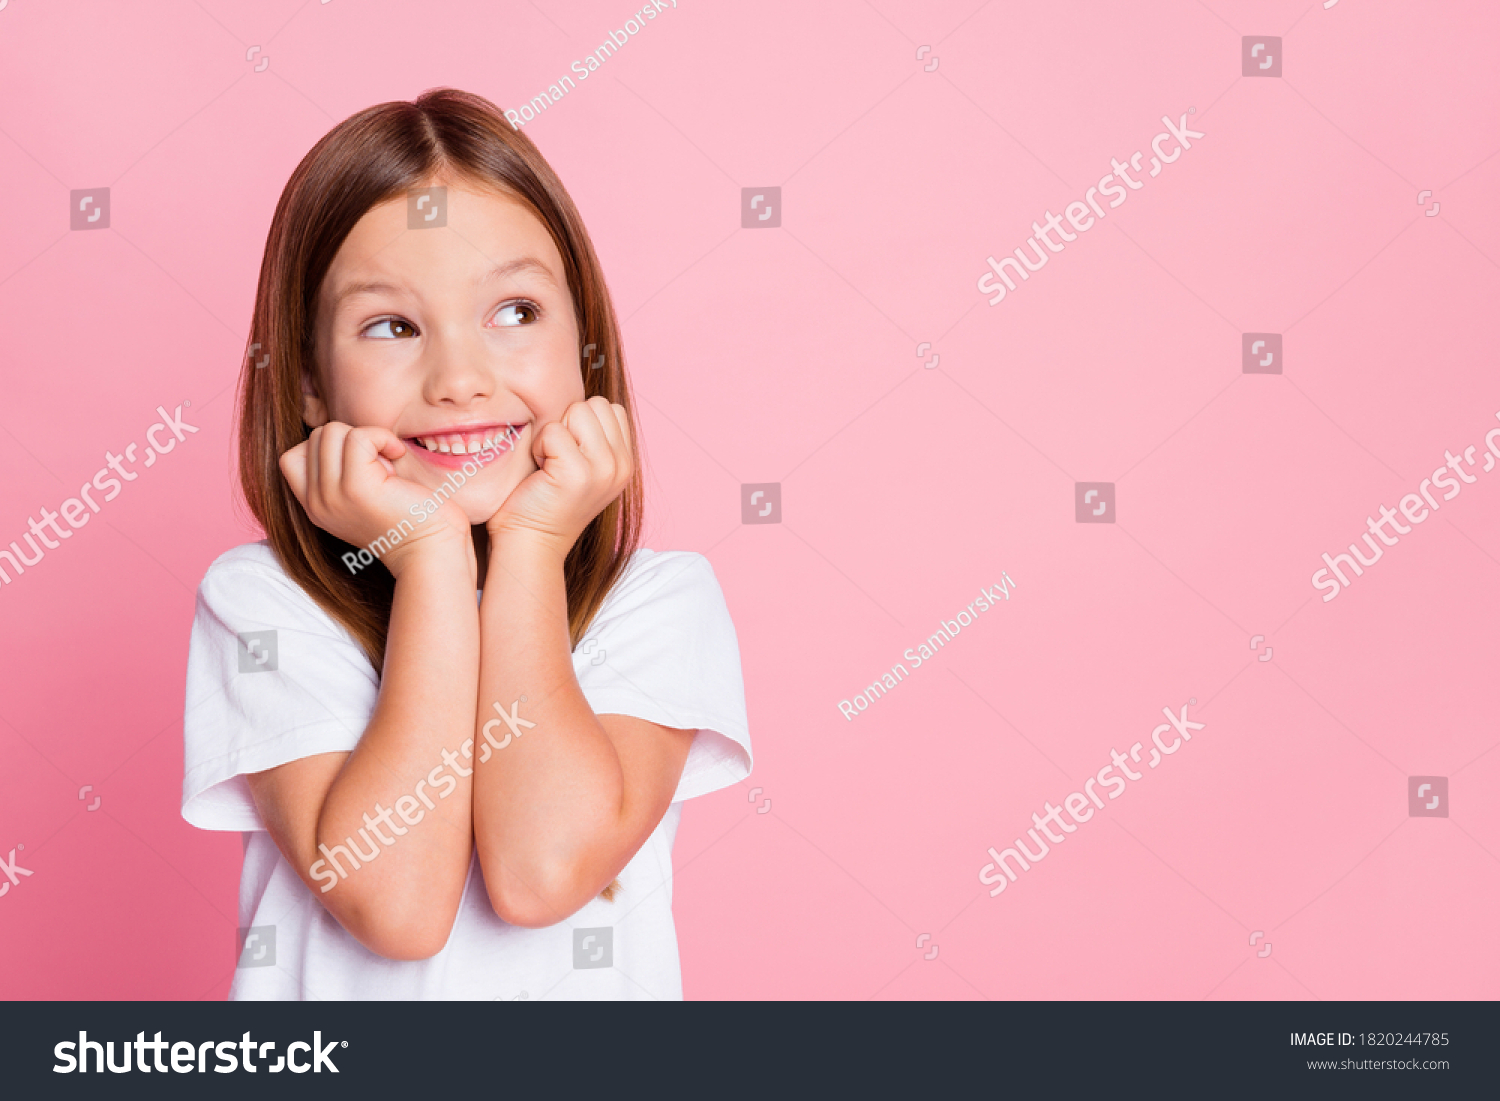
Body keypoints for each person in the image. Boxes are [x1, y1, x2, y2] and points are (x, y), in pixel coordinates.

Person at [180, 88, 751, 1000]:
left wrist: (525, 542)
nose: (460, 379)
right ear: (313, 389)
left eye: (514, 312)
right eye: (392, 327)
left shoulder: (659, 603)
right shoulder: (264, 603)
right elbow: (397, 906)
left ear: (585, 347)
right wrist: (433, 560)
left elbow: (539, 873)